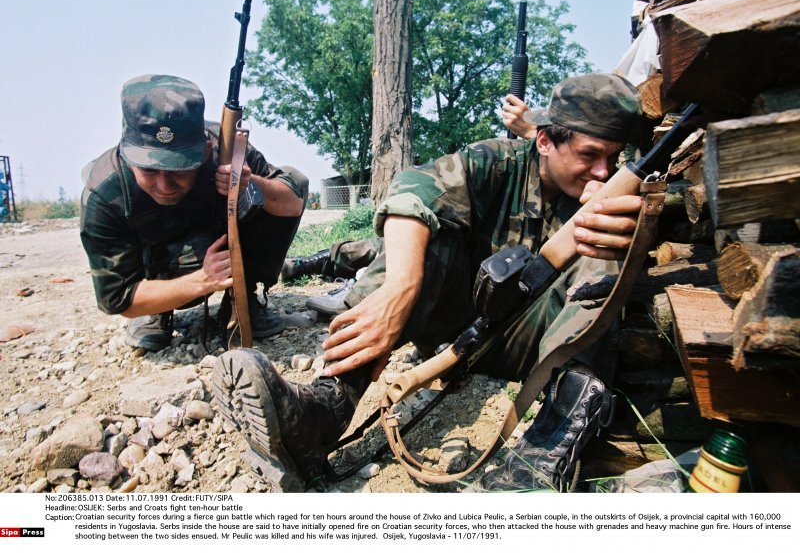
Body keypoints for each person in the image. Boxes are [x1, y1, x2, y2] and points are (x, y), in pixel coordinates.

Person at [212, 73, 642, 492]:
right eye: (590, 154)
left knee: (605, 251)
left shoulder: (614, 192)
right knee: (420, 241)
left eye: (614, 157)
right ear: (545, 140)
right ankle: (325, 409)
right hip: (455, 331)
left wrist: (631, 227)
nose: (603, 171)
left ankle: (544, 453)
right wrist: (401, 286)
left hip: (540, 346)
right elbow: (412, 191)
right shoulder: (495, 162)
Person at [80, 74, 308, 351]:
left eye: (179, 168)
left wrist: (249, 185)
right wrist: (202, 281)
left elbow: (292, 201)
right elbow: (118, 298)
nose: (164, 185)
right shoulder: (104, 192)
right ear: (127, 157)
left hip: (220, 252)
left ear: (205, 151)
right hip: (164, 272)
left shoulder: (226, 149)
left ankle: (242, 298)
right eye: (149, 170)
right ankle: (156, 312)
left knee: (288, 183)